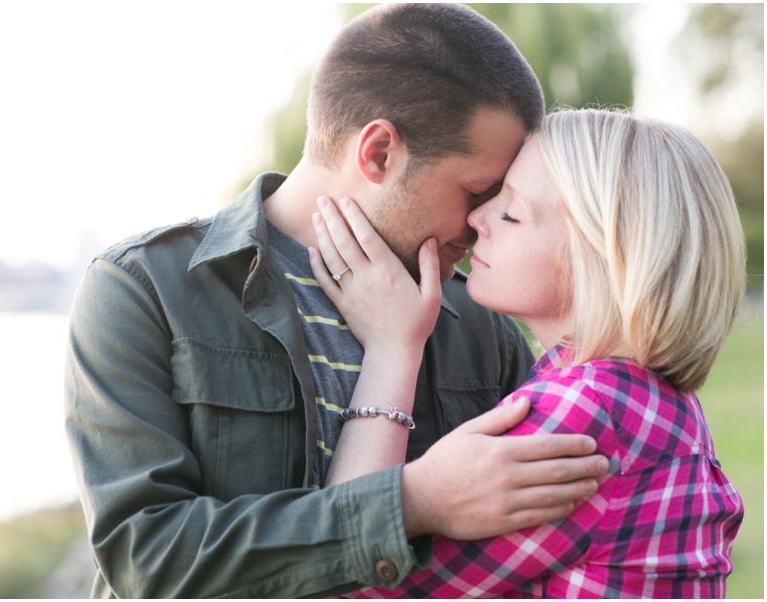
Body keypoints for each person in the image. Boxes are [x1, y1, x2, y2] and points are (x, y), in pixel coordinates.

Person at [63, 5, 609, 598]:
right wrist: (412, 501)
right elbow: (148, 561)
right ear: (377, 154)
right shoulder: (145, 290)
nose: (483, 223)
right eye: (477, 190)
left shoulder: (483, 322)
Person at [308, 108, 746, 598]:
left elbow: (346, 577)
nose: (476, 219)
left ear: (600, 258)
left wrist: (393, 347)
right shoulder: (650, 401)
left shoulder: (583, 417)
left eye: (511, 212)